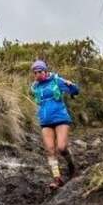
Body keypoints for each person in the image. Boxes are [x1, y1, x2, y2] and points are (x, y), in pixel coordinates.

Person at [30, 59, 80, 190]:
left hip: (61, 118)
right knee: (50, 150)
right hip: (45, 122)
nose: (37, 74)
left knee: (62, 148)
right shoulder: (35, 87)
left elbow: (75, 91)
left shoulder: (56, 81)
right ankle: (57, 179)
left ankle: (72, 167)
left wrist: (71, 85)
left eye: (39, 71)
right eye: (34, 72)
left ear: (45, 71)